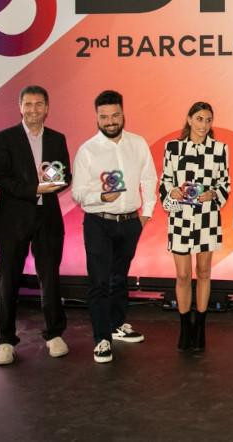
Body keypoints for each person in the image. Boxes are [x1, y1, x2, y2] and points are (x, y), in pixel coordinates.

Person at [71, 90, 157, 364]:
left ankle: (117, 324)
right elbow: (78, 192)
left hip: (130, 221)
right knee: (99, 281)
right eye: (104, 116)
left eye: (115, 115)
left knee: (120, 277)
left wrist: (146, 213)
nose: (110, 121)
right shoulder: (87, 150)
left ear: (123, 114)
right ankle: (101, 338)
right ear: (96, 117)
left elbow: (148, 178)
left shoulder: (138, 143)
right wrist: (101, 197)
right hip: (99, 222)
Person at [0, 85, 72, 365]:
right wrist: (35, 188)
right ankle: (5, 340)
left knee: (49, 277)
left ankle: (53, 334)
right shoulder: (4, 138)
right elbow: (0, 178)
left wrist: (55, 183)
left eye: (39, 104)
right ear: (20, 107)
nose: (34, 109)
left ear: (47, 108)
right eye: (28, 104)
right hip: (13, 219)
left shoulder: (57, 139)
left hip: (47, 218)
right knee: (7, 279)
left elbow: (65, 174)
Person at [160, 101, 230, 353]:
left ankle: (199, 327)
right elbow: (165, 181)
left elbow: (225, 184)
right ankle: (184, 326)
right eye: (199, 119)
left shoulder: (220, 149)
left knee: (203, 272)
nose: (204, 124)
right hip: (180, 218)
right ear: (189, 119)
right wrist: (173, 193)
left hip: (207, 218)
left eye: (208, 119)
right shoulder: (173, 148)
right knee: (181, 275)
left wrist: (212, 194)